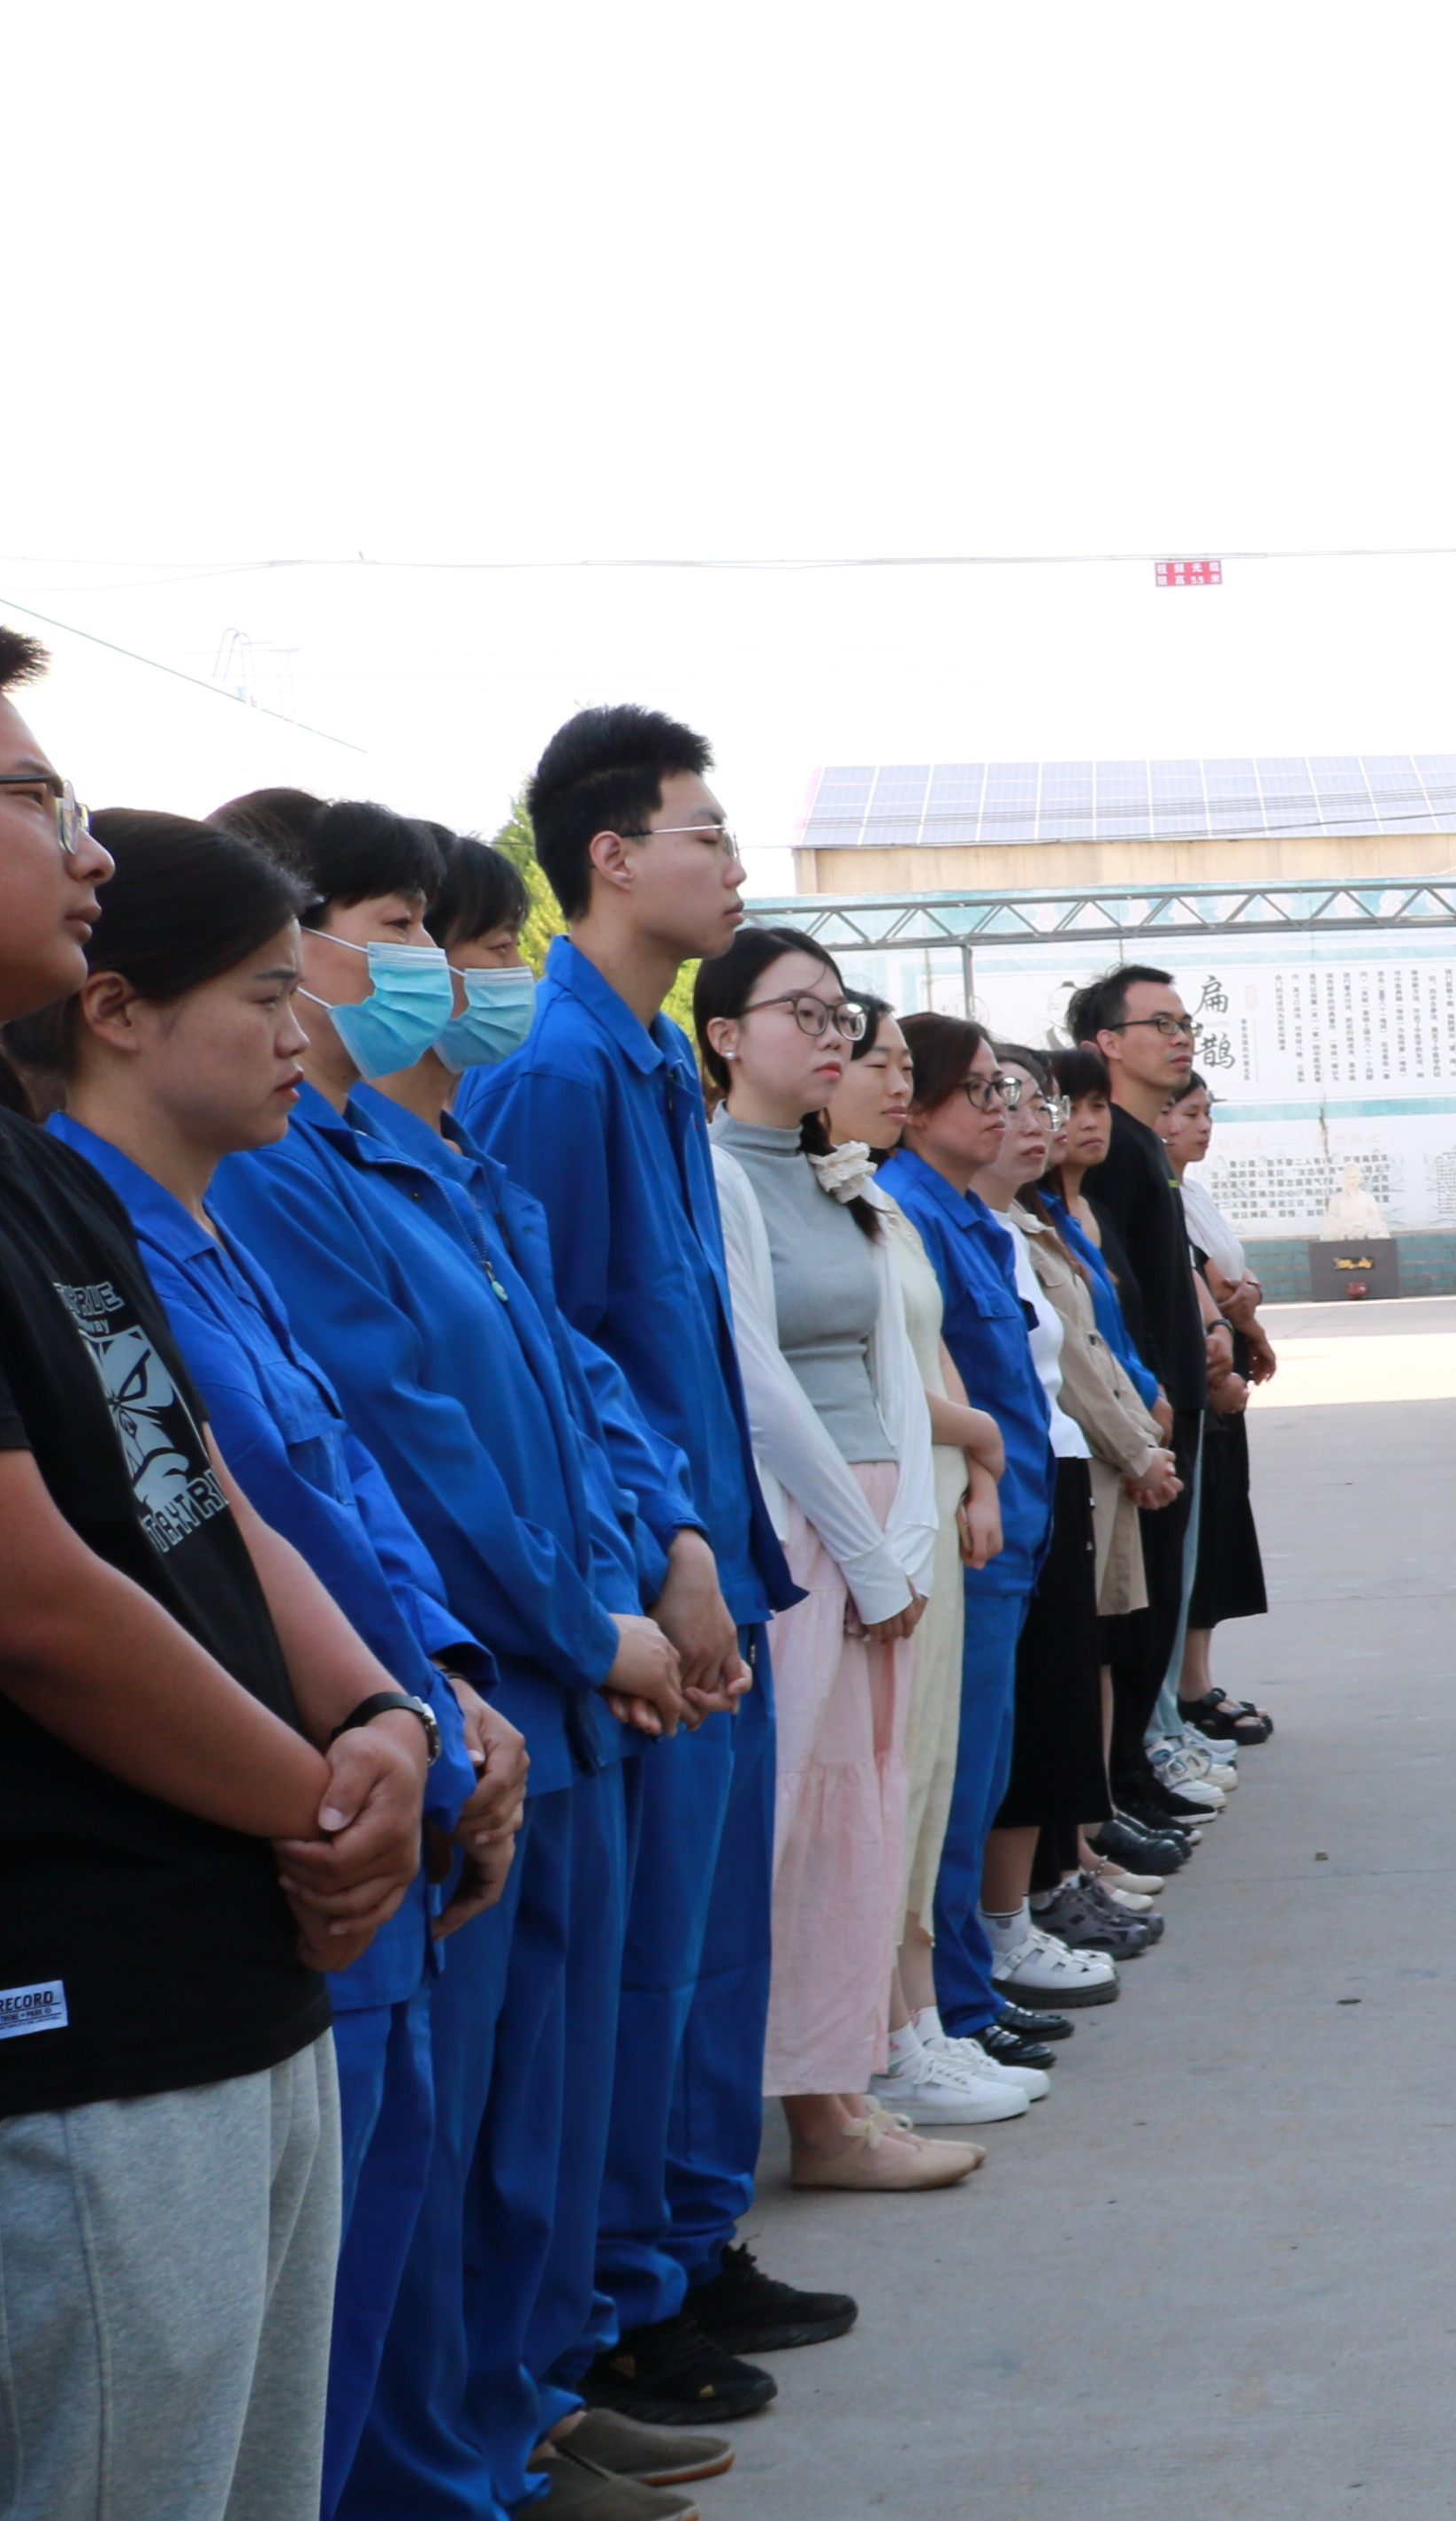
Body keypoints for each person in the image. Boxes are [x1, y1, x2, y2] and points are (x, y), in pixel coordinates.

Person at [0, 628, 509, 2521]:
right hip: (54, 1999)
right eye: (23, 790)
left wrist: (373, 1710)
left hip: (230, 1964)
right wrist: (319, 1800)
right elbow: (23, 1596)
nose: (81, 838)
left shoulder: (23, 1168)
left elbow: (194, 1501)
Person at [194, 801, 690, 2521]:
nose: (423, 977)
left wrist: (595, 1594)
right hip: (403, 1744)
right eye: (398, 932)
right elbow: (372, 1459)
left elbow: (552, 1393)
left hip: (485, 1699)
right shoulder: (232, 1187)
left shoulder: (364, 1158)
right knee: (382, 2241)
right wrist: (481, 1665)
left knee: (506, 2138)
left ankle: (475, 2496)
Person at [457, 708, 850, 2418]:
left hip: (709, 1568)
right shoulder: (555, 1072)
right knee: (634, 1979)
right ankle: (622, 2299)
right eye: (709, 833)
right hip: (647, 1598)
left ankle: (688, 2245)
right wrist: (645, 1577)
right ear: (612, 859)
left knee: (704, 1955)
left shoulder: (636, 1061)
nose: (737, 865)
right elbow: (548, 1360)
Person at [690, 933, 974, 2191]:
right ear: (723, 1038)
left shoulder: (841, 1180)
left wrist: (903, 1534)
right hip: (799, 1529)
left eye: (838, 1016)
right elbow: (758, 1383)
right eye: (800, 1013)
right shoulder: (714, 1175)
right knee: (800, 1814)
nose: (832, 1037)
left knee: (869, 1808)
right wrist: (865, 1553)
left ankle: (843, 2099)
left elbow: (891, 1370)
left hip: (880, 1522)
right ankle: (805, 2117)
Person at [883, 1019, 1071, 2063]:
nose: (1003, 1108)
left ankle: (967, 1985)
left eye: (1008, 1089)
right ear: (915, 1110)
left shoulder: (963, 1213)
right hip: (970, 1523)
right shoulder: (908, 1210)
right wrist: (987, 1464)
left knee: (982, 1765)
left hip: (1010, 1520)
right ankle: (954, 2002)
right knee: (950, 1785)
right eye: (980, 1090)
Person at [979, 1045, 1175, 1992]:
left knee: (1072, 1677)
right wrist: (1136, 1446)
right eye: (997, 1099)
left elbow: (1098, 1339)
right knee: (1025, 1712)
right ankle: (1020, 1909)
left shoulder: (1031, 1220)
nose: (1034, 1122)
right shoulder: (943, 1218)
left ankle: (1064, 1870)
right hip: (1024, 1482)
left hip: (1060, 1471)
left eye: (1039, 1105)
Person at [1064, 966, 1221, 1828]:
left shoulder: (1141, 1146)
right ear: (1107, 1043)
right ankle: (1124, 1779)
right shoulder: (1112, 1150)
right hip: (1143, 1411)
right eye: (1158, 1023)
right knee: (1134, 1610)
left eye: (1184, 1021)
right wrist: (1147, 1398)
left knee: (1163, 1594)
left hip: (1173, 1400)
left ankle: (1138, 1769)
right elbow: (1108, 1302)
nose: (1179, 1036)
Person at [1167, 1080, 1276, 1747]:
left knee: (1219, 1526)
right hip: (1203, 1379)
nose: (1203, 1126)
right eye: (1189, 1113)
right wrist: (1243, 1329)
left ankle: (1198, 1677)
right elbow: (1211, 1285)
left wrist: (1250, 1311)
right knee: (1196, 1532)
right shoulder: (1155, 1196)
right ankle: (1187, 1689)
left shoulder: (1194, 1194)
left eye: (1208, 1113)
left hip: (1227, 1371)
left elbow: (1238, 1280)